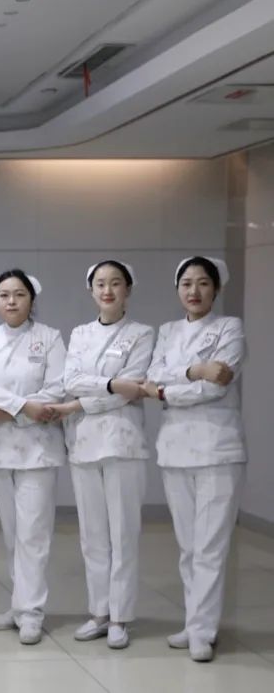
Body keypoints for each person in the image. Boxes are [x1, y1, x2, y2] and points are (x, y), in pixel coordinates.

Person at [142, 256, 246, 663]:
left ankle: (204, 630)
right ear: (177, 289)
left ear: (216, 289)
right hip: (175, 449)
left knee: (210, 546)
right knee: (188, 546)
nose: (194, 291)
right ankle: (193, 622)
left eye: (203, 283)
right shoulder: (168, 331)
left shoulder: (229, 328)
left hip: (218, 449)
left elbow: (218, 385)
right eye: (186, 283)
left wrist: (168, 389)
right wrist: (196, 371)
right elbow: (154, 377)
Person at [47, 260, 154, 650]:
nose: (107, 290)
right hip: (84, 443)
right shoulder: (80, 333)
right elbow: (71, 380)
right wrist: (110, 383)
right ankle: (99, 612)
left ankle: (121, 616)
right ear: (91, 290)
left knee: (123, 533)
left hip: (123, 443)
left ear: (128, 289)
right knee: (93, 535)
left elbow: (134, 387)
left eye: (115, 283)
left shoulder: (142, 333)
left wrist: (81, 402)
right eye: (100, 284)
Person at [0, 269, 66, 645]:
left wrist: (10, 410)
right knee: (13, 533)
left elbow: (57, 387)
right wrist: (24, 407)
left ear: (31, 299)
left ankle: (32, 612)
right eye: (4, 295)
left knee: (34, 534)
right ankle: (19, 604)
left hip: (39, 448)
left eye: (19, 294)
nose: (11, 301)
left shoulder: (50, 338)